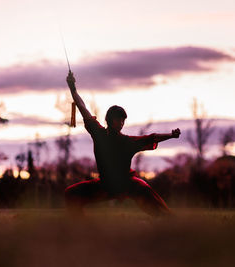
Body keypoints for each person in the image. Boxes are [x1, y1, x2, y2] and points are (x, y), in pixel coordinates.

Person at [64, 71, 180, 216]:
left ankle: (169, 220)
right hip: (105, 185)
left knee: (148, 195)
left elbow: (151, 138)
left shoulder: (126, 141)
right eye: (118, 119)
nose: (121, 123)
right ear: (109, 119)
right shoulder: (98, 133)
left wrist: (171, 135)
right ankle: (83, 228)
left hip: (126, 184)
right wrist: (72, 87)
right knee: (71, 194)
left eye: (123, 120)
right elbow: (81, 107)